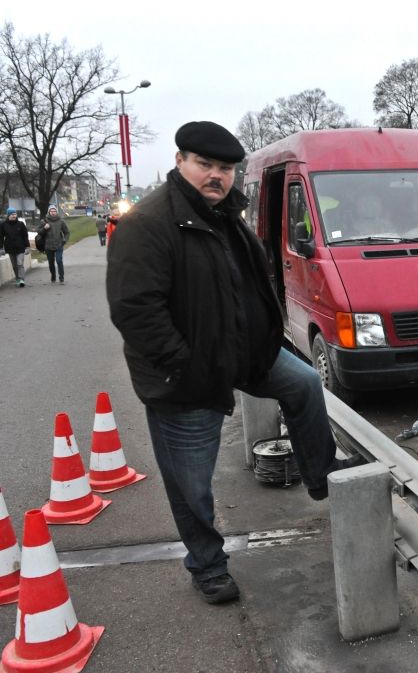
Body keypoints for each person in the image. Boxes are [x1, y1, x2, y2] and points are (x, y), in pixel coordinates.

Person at [106, 121, 356, 605]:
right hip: (188, 379)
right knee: (191, 485)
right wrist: (187, 369)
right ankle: (208, 566)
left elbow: (250, 286)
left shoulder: (226, 216)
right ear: (180, 162)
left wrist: (268, 338)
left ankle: (321, 475)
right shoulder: (149, 224)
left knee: (304, 382)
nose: (216, 176)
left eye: (225, 168)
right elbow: (136, 313)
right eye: (205, 165)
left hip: (246, 355)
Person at [40, 205, 69, 283]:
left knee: (59, 260)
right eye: (51, 211)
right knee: (51, 262)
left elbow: (67, 232)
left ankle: (61, 277)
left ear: (57, 212)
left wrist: (64, 240)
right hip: (48, 245)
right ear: (49, 212)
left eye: (54, 211)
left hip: (59, 244)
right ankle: (53, 275)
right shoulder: (44, 221)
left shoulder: (61, 221)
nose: (53, 213)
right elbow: (39, 232)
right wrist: (44, 228)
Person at [1, 208, 29, 287]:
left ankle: (22, 279)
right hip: (10, 248)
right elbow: (1, 237)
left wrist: (27, 247)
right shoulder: (3, 225)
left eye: (15, 214)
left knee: (20, 263)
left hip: (20, 247)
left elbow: (25, 236)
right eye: (12, 214)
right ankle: (17, 278)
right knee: (14, 265)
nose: (14, 216)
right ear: (8, 215)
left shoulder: (20, 224)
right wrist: (1, 248)